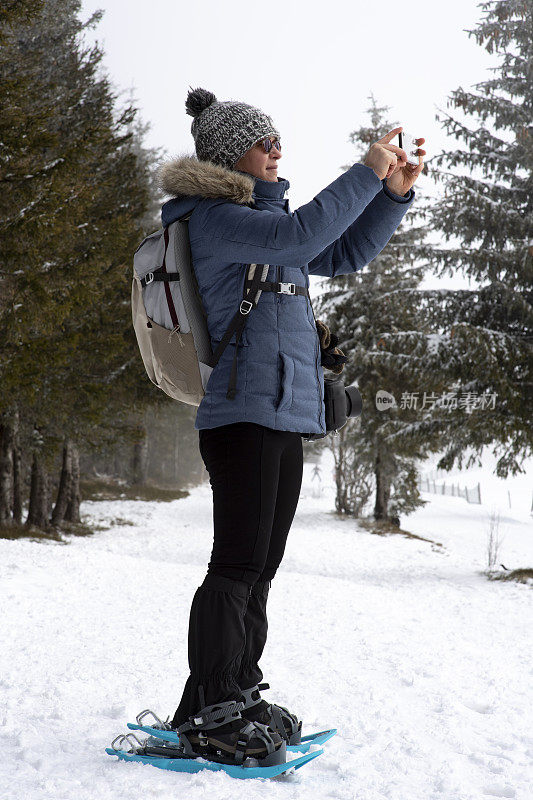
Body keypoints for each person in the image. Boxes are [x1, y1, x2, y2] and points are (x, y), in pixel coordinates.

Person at [157, 86, 425, 765]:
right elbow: (304, 234)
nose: (277, 150)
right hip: (240, 415)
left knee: (261, 568)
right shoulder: (214, 219)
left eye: (278, 139)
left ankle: (230, 693)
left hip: (275, 414)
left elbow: (337, 252)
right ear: (228, 158)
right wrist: (364, 170)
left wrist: (390, 195)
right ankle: (214, 712)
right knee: (237, 564)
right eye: (263, 142)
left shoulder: (267, 232)